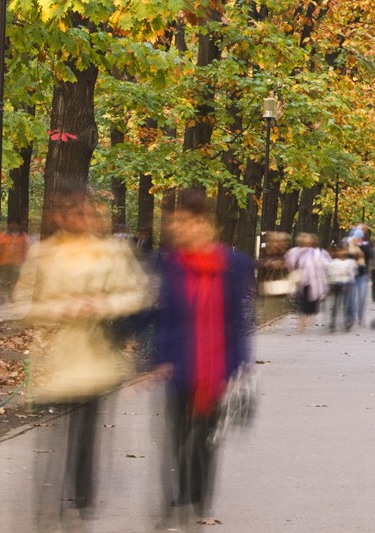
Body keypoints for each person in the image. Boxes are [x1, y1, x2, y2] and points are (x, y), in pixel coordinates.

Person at [15, 185, 150, 526]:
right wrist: (64, 309)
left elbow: (135, 295)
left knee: (87, 432)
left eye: (90, 212)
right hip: (58, 356)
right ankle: (50, 502)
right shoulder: (42, 255)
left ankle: (81, 502)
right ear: (60, 216)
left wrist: (102, 305)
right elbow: (23, 304)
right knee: (52, 432)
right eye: (77, 212)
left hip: (96, 356)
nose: (86, 219)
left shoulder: (112, 253)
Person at [152, 189, 254, 527]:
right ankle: (179, 495)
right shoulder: (170, 264)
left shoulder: (234, 264)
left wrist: (240, 364)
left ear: (205, 223)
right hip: (179, 363)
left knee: (206, 438)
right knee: (177, 435)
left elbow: (240, 320)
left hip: (216, 366)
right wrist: (154, 360)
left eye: (186, 221)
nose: (180, 229)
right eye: (175, 222)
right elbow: (163, 315)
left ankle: (199, 500)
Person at [285, 233, 330, 333]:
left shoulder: (316, 253)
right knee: (302, 302)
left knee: (311, 302)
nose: (305, 244)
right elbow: (289, 262)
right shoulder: (295, 252)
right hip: (300, 281)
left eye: (307, 242)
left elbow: (325, 264)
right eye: (302, 242)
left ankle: (308, 317)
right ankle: (301, 323)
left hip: (313, 281)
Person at [325, 247, 358, 332]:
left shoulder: (350, 262)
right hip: (336, 283)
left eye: (343, 250)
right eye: (339, 251)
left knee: (347, 303)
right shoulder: (333, 262)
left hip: (347, 283)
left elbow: (352, 273)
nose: (341, 252)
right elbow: (330, 273)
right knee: (336, 304)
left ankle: (348, 320)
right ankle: (333, 322)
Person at [0, 220, 30, 291]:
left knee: (14, 281)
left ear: (18, 225)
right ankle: (4, 296)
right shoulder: (4, 235)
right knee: (4, 280)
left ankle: (11, 295)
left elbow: (27, 248)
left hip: (17, 263)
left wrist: (25, 260)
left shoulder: (23, 236)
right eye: (11, 224)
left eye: (15, 224)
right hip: (5, 262)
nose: (13, 226)